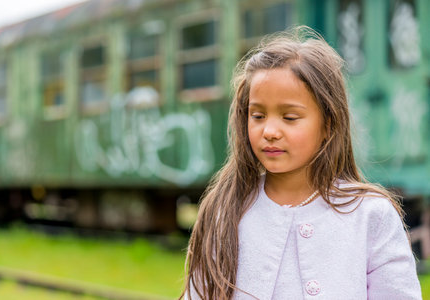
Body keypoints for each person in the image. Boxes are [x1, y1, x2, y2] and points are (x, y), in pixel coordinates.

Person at [180, 26, 422, 299]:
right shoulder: (225, 211)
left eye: (290, 117)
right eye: (258, 116)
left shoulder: (371, 215)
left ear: (328, 124)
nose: (269, 131)